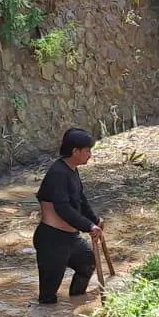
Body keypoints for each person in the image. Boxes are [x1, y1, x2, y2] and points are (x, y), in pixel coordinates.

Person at [34, 127, 103, 305]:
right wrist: (88, 226)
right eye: (87, 150)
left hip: (70, 238)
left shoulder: (72, 170)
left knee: (87, 263)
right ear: (75, 151)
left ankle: (77, 302)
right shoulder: (57, 173)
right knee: (48, 298)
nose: (90, 154)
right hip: (52, 240)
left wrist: (95, 220)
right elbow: (62, 208)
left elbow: (80, 199)